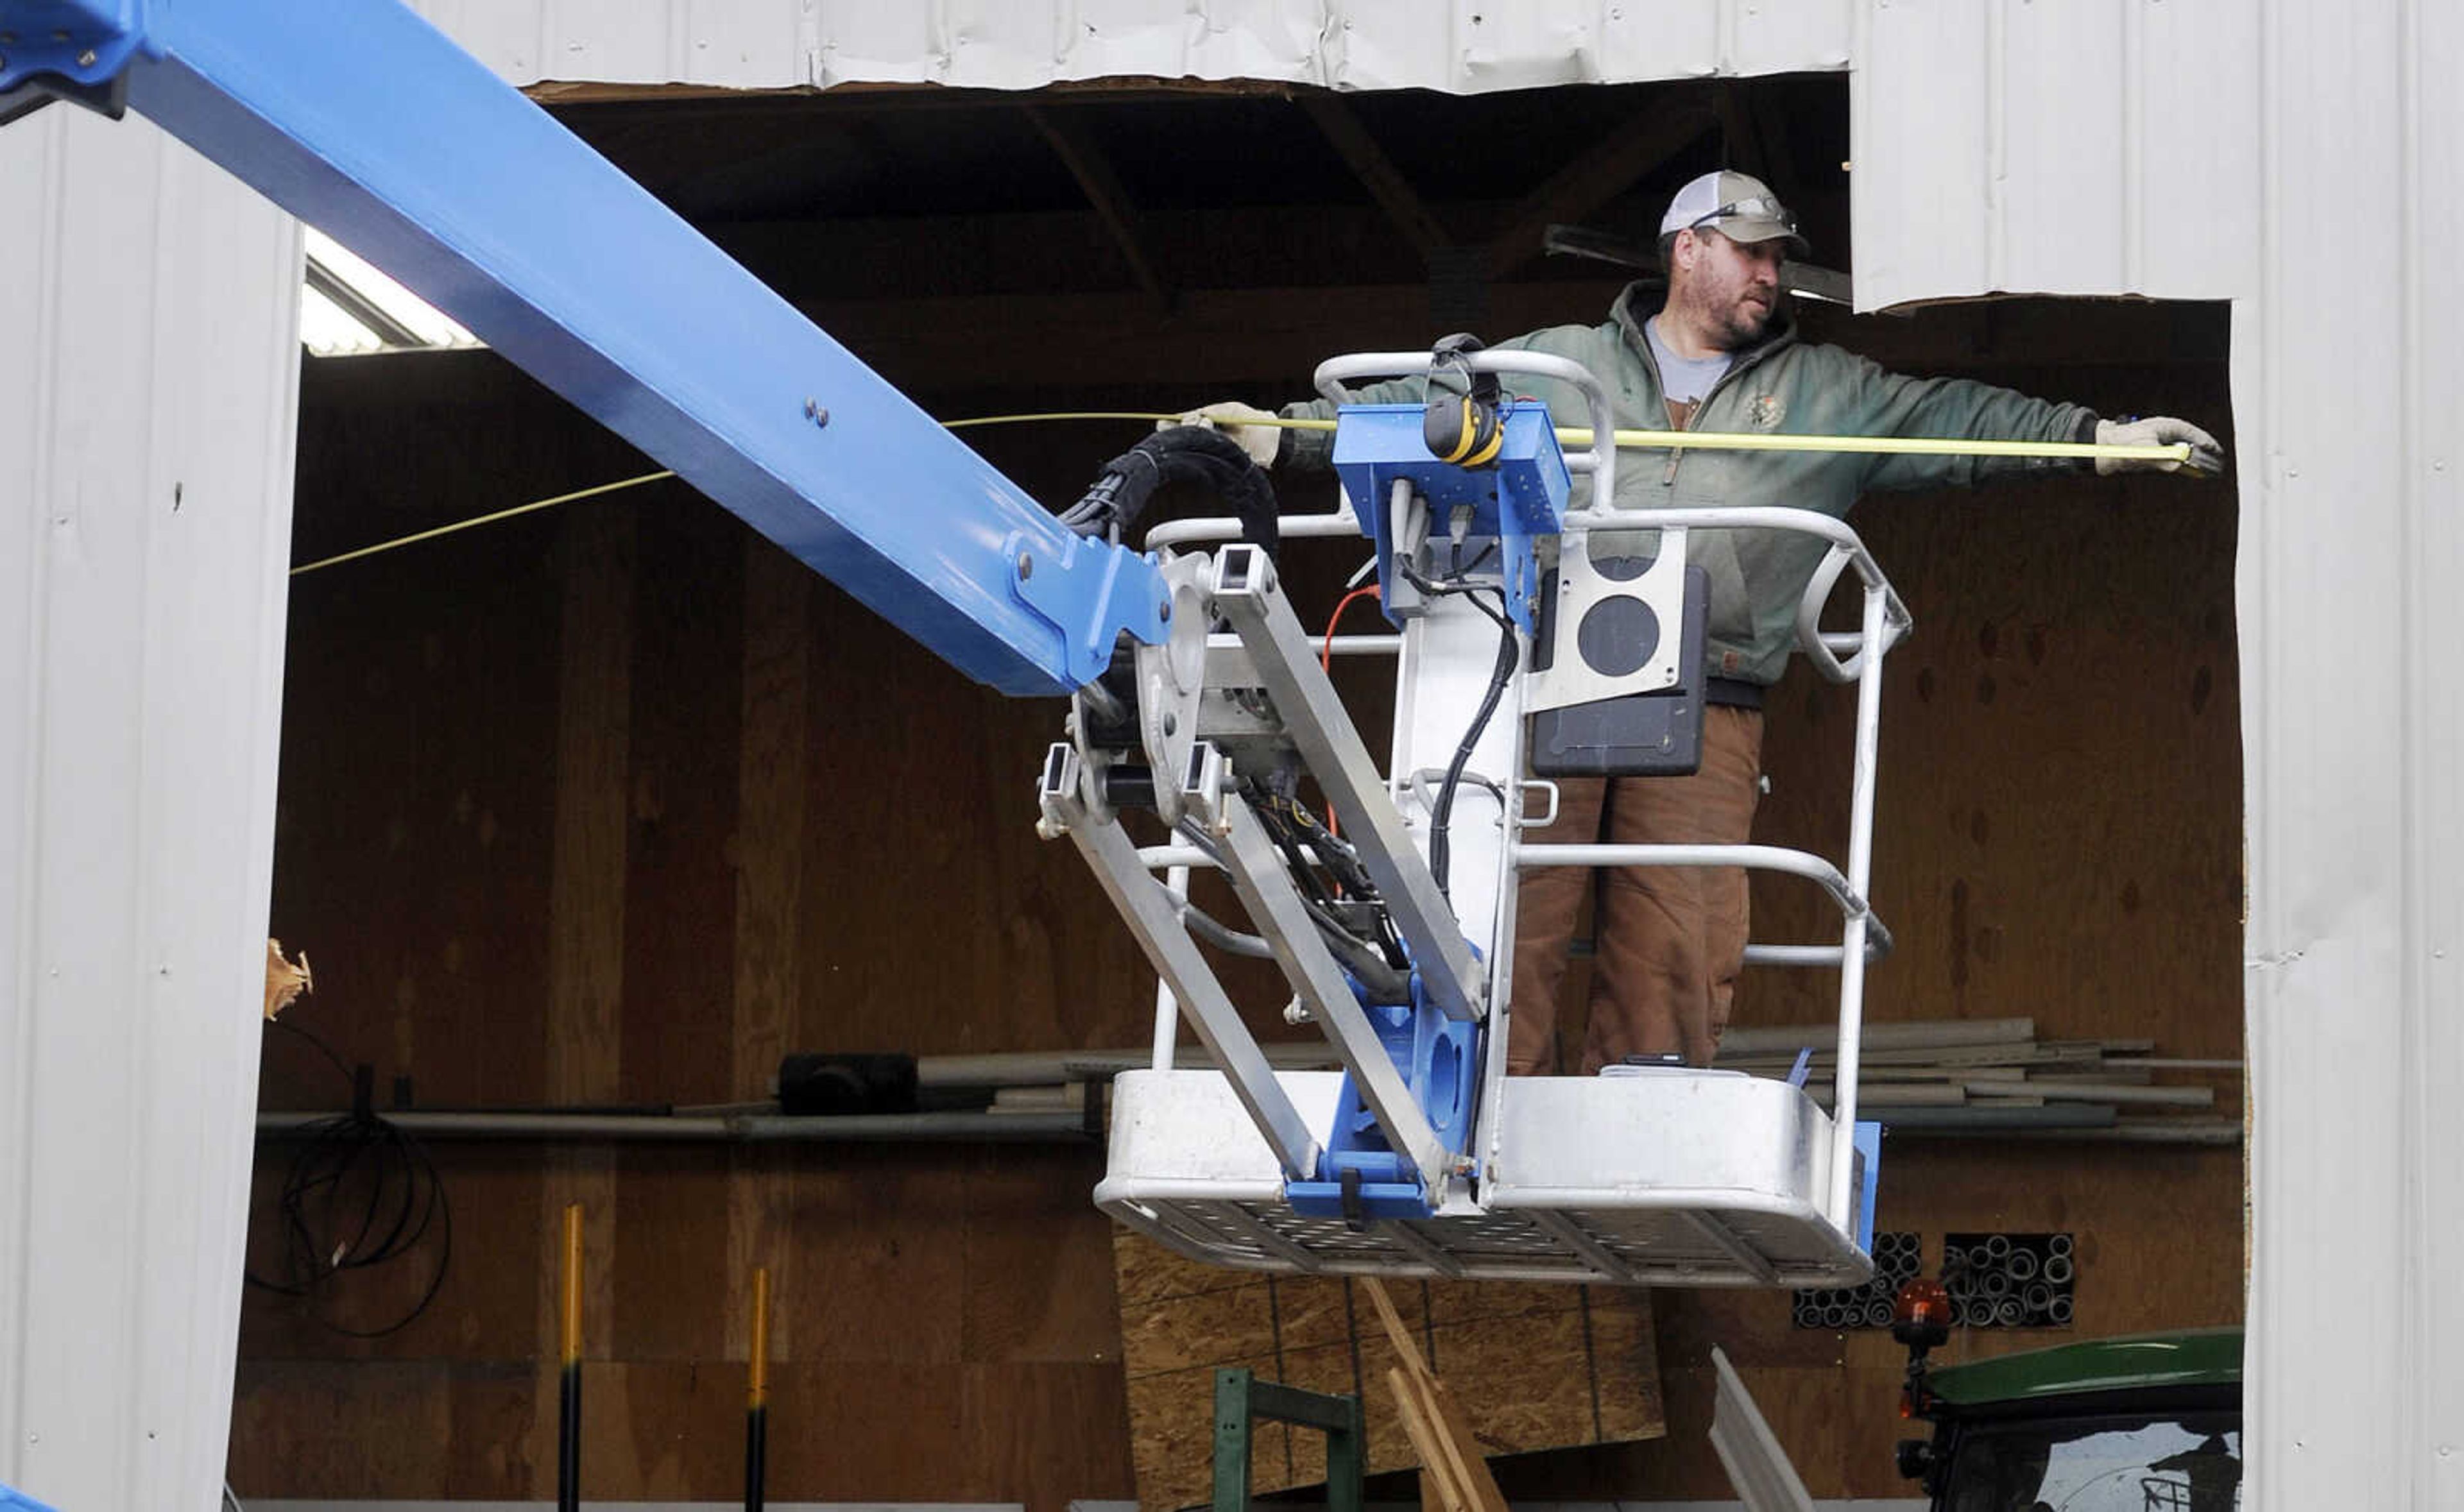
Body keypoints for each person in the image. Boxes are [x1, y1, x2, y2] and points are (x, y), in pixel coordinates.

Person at [1180, 169, 2223, 1075]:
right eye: (1754, 254)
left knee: (1676, 941)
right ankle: (1483, 1119)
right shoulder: (1564, 358)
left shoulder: (1830, 389)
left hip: (1710, 691)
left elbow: (1960, 422)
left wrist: (2099, 438)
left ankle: (1632, 1131)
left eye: (1779, 261)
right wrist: (1279, 437)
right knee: (1504, 917)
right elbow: (1429, 401)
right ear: (1689, 251)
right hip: (1548, 678)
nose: (1774, 276)